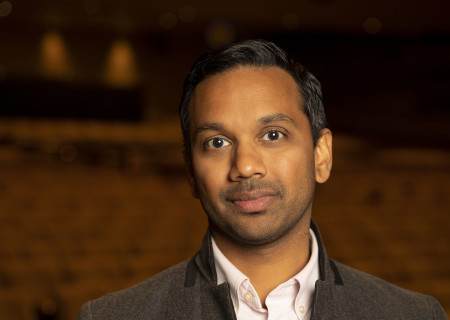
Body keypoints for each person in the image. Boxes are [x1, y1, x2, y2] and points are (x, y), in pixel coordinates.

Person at [77, 39, 447, 320]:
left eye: (273, 134)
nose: (246, 166)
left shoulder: (414, 314)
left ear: (322, 155)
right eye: (217, 142)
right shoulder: (112, 316)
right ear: (191, 171)